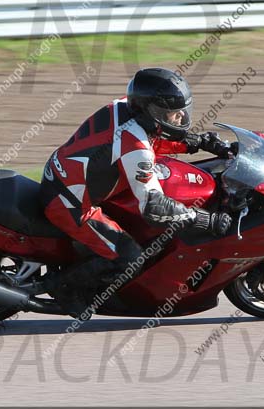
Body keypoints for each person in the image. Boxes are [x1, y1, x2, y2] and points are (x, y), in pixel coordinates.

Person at [38, 67, 234, 318]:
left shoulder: (125, 107)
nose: (180, 118)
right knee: (131, 257)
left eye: (181, 112)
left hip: (69, 174)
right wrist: (206, 219)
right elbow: (154, 207)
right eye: (172, 114)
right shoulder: (135, 148)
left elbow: (154, 136)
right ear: (150, 111)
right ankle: (63, 288)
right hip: (71, 202)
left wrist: (201, 142)